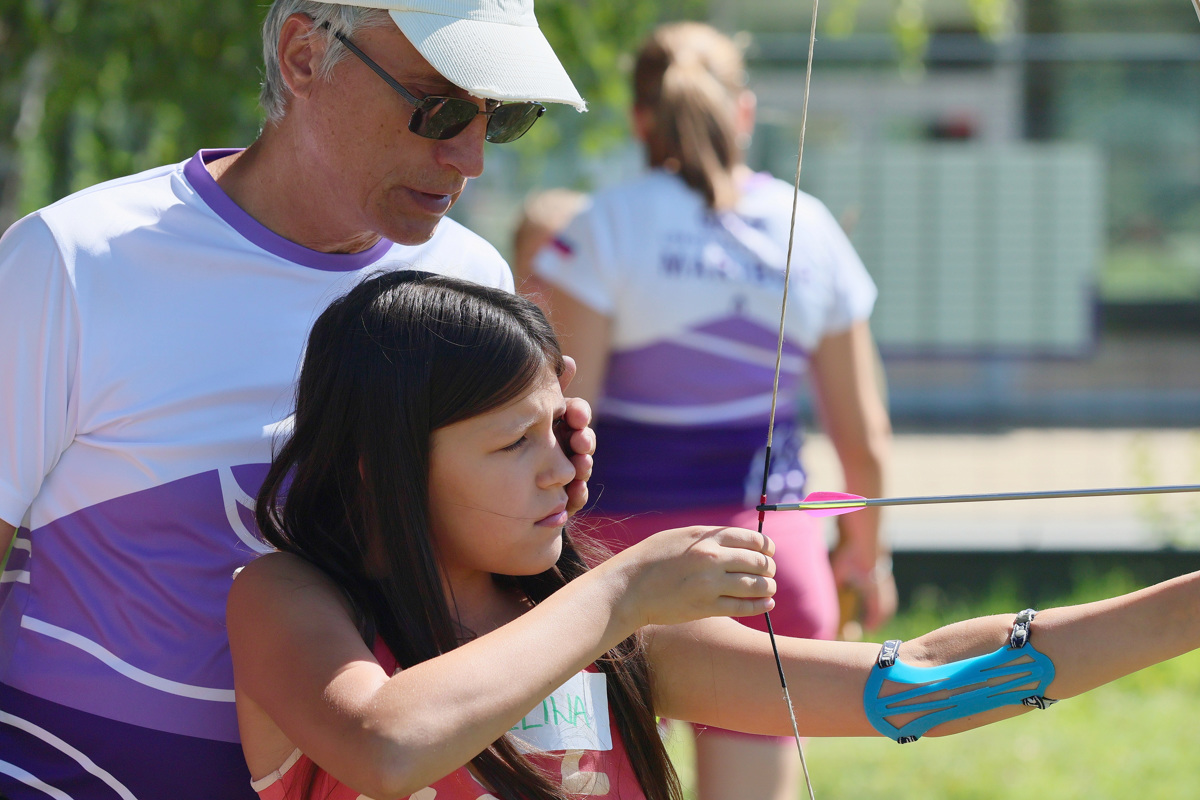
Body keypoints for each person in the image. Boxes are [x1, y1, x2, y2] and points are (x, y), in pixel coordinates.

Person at [228, 269, 1200, 800]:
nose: (562, 467)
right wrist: (619, 590)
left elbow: (919, 683)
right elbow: (385, 744)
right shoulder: (289, 599)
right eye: (512, 441)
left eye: (559, 426)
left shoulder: (609, 631)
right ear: (381, 462)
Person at [0, 3, 596, 798]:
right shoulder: (74, 260)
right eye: (440, 106)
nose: (471, 157)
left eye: (503, 116)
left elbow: (458, 580)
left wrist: (539, 485)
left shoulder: (471, 279)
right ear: (305, 55)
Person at [527, 22, 894, 800]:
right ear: (746, 112)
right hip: (771, 563)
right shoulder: (811, 226)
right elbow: (865, 441)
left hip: (616, 567)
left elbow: (561, 416)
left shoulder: (605, 225)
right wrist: (870, 558)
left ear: (638, 119)